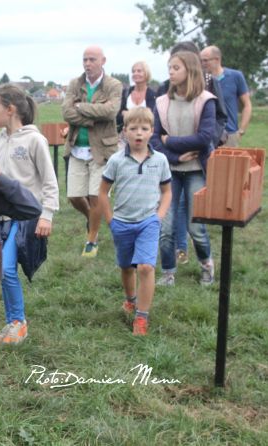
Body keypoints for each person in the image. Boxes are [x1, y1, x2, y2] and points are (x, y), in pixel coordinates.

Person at [0, 84, 59, 345]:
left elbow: (50, 181)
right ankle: (10, 323)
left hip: (26, 217)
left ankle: (18, 323)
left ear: (10, 109)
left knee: (6, 269)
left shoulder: (34, 140)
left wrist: (47, 215)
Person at [100, 107, 172, 336]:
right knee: (126, 267)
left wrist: (158, 217)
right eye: (133, 129)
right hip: (121, 223)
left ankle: (141, 317)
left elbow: (167, 191)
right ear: (125, 133)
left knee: (146, 266)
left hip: (148, 222)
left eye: (144, 128)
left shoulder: (160, 160)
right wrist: (111, 220)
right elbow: (103, 192)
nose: (138, 133)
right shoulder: (116, 160)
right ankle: (130, 299)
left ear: (152, 131)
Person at [156, 41, 227, 266]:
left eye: (176, 67)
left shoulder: (206, 98)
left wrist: (171, 141)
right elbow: (155, 139)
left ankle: (206, 264)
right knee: (165, 226)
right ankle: (168, 272)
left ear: (190, 67)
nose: (171, 72)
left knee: (195, 226)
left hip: (197, 167)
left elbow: (205, 135)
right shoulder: (162, 100)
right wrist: (176, 155)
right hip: (170, 170)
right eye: (169, 67)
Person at [61, 46, 122, 258]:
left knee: (96, 196)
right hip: (77, 147)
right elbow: (66, 112)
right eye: (85, 59)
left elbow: (111, 111)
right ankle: (94, 217)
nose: (88, 63)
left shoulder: (114, 85)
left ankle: (92, 240)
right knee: (74, 196)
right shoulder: (74, 84)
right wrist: (92, 116)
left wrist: (80, 107)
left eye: (92, 59)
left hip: (102, 150)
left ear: (103, 61)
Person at [200, 45, 252, 147]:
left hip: (229, 136)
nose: (203, 64)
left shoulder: (236, 76)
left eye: (206, 61)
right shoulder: (200, 80)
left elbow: (247, 105)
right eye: (201, 61)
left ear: (217, 59)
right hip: (206, 135)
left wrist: (241, 131)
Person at [116, 61, 156, 132]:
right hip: (125, 134)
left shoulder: (153, 95)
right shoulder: (125, 93)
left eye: (139, 71)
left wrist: (127, 114)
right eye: (133, 71)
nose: (135, 73)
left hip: (144, 136)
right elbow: (117, 116)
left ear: (146, 73)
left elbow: (152, 118)